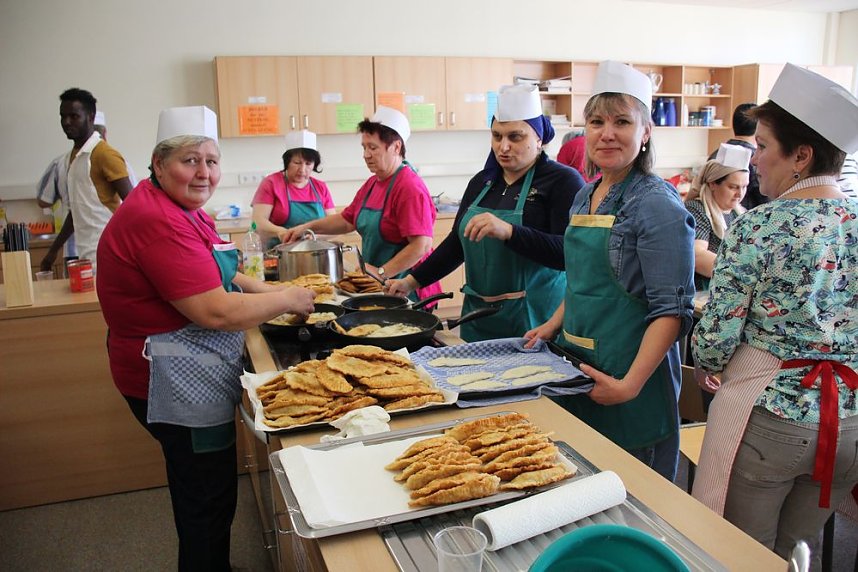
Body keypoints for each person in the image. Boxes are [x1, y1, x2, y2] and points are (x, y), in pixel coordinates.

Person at [96, 106, 315, 571]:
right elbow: (215, 309)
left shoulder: (183, 209)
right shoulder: (157, 220)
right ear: (158, 164)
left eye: (211, 162)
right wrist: (289, 298)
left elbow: (227, 274)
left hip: (188, 367)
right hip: (173, 379)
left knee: (204, 488)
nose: (204, 173)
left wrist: (278, 292)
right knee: (205, 495)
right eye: (190, 160)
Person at [691, 64, 858, 568]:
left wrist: (709, 363)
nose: (754, 160)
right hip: (847, 423)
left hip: (769, 421)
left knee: (739, 555)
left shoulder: (758, 227)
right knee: (794, 556)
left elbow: (715, 339)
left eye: (762, 146)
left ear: (801, 157)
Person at [524, 61, 695, 481]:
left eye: (622, 121)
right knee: (582, 482)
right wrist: (552, 324)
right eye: (596, 121)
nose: (607, 132)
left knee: (633, 496)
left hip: (630, 378)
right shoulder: (585, 196)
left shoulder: (657, 204)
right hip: (580, 365)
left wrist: (630, 385)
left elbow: (672, 311)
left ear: (645, 132)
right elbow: (582, 280)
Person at [385, 84, 585, 341]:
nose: (503, 147)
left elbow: (568, 255)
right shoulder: (482, 182)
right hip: (479, 317)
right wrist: (411, 282)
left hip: (534, 319)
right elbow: (457, 244)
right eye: (497, 136)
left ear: (538, 138)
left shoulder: (563, 181)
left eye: (515, 137)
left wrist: (510, 232)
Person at [281, 106, 441, 300]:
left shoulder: (409, 187)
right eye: (364, 147)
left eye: (373, 147)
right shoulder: (374, 183)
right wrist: (306, 228)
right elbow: (347, 220)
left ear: (396, 147)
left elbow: (421, 246)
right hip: (379, 286)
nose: (366, 154)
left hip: (406, 290)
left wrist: (381, 273)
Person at [40, 88, 133, 273]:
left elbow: (133, 205)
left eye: (74, 116)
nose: (66, 122)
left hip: (111, 252)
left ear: (90, 116)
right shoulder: (74, 156)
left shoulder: (105, 154)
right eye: (63, 116)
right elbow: (76, 210)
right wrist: (53, 251)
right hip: (87, 253)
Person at [251, 129, 336, 248]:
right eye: (297, 163)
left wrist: (315, 236)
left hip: (315, 254)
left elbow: (333, 226)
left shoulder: (320, 187)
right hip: (277, 255)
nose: (302, 169)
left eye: (308, 164)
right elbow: (258, 222)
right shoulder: (271, 183)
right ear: (287, 162)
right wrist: (281, 232)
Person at [684, 143, 750, 291]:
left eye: (744, 187)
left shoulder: (739, 213)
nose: (740, 194)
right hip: (703, 292)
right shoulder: (696, 209)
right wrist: (742, 271)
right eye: (733, 187)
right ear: (713, 183)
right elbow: (697, 255)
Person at [708, 103, 765, 210]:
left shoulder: (716, 154)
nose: (739, 193)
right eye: (733, 187)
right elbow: (765, 203)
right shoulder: (757, 161)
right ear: (758, 128)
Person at [35, 150, 76, 260]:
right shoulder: (119, 161)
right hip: (110, 245)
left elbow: (44, 200)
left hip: (74, 247)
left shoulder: (60, 163)